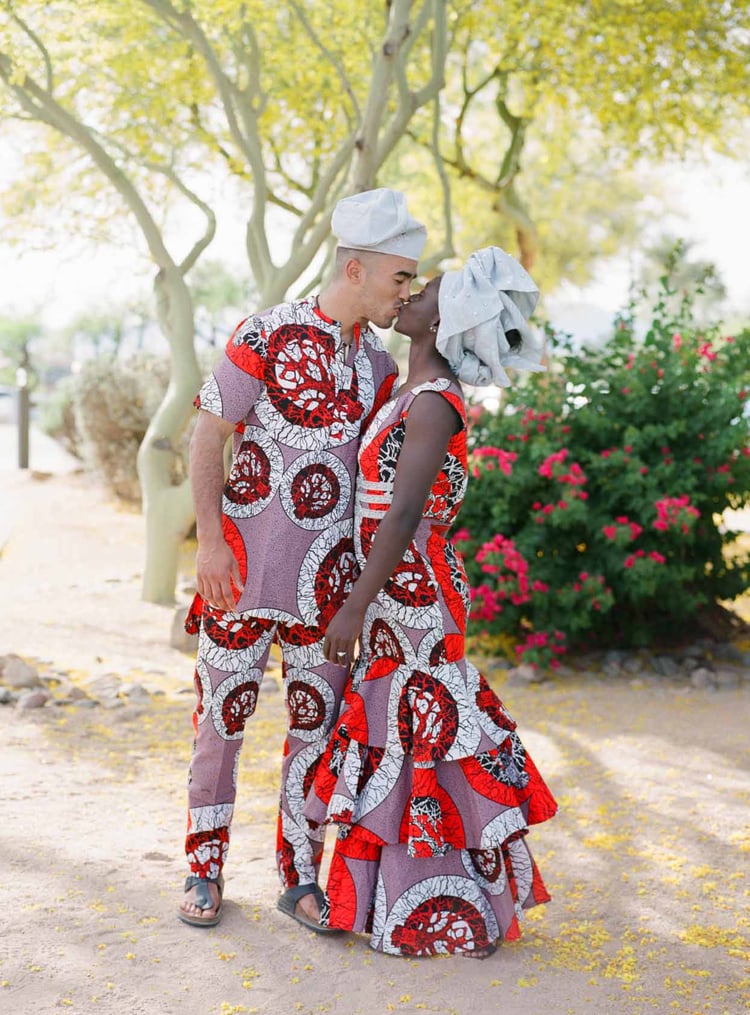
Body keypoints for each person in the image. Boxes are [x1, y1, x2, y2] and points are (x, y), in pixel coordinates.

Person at [178, 188, 428, 931]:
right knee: (219, 725)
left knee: (315, 735)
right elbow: (205, 434)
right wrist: (212, 540)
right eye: (399, 278)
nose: (405, 292)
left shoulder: (380, 368)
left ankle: (299, 877)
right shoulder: (266, 333)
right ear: (356, 269)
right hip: (238, 581)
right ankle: (202, 870)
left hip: (328, 594)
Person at [305, 247, 558, 958]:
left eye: (428, 291)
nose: (411, 294)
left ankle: (440, 912)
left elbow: (408, 508)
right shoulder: (405, 392)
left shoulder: (436, 401)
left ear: (447, 320)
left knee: (422, 736)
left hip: (414, 591)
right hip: (394, 589)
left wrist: (353, 606)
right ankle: (396, 904)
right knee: (396, 740)